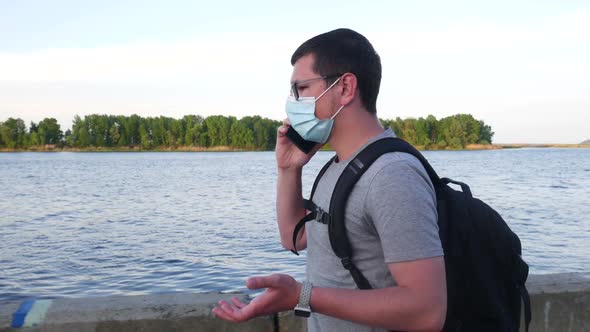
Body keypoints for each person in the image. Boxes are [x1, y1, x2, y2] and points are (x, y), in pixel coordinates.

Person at [213, 28, 447, 332]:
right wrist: (288, 169)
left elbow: (426, 311)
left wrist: (302, 296)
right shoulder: (340, 166)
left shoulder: (391, 175)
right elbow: (293, 238)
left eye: (301, 88)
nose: (293, 101)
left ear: (346, 88)